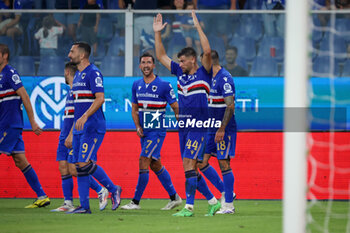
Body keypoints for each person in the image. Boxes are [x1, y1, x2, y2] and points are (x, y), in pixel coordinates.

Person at [154, 12, 221, 217]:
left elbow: (207, 51)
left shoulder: (204, 73)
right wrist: (157, 33)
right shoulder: (180, 73)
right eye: (179, 62)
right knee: (192, 166)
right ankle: (213, 201)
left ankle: (189, 207)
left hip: (199, 125)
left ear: (193, 60)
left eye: (183, 61)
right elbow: (161, 57)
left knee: (188, 164)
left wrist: (197, 27)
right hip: (183, 125)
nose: (179, 64)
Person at [121, 52, 182, 210]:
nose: (146, 65)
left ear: (154, 65)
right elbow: (134, 109)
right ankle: (174, 197)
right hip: (145, 132)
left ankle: (135, 202)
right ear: (140, 65)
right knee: (155, 164)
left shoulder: (164, 85)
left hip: (157, 131)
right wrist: (137, 126)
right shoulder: (136, 85)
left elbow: (176, 107)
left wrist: (182, 125)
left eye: (149, 62)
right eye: (143, 62)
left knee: (143, 160)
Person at [67, 42, 122, 214]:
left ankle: (113, 189)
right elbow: (78, 106)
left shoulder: (94, 73)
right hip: (79, 127)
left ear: (82, 55)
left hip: (92, 125)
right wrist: (71, 131)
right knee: (78, 166)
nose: (69, 54)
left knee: (84, 162)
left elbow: (100, 99)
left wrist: (85, 116)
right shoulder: (77, 76)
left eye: (72, 51)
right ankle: (84, 206)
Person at [51, 62, 109, 212]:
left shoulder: (79, 90)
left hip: (75, 132)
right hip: (66, 131)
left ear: (67, 71)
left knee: (75, 167)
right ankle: (68, 202)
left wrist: (71, 134)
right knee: (63, 167)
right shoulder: (72, 91)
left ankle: (101, 190)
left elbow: (78, 115)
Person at [0, 43, 50, 208]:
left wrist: (33, 122)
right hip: (6, 124)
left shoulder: (10, 73)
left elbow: (25, 97)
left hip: (10, 125)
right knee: (21, 161)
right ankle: (42, 195)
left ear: (4, 55)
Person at [197, 50, 237, 214]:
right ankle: (228, 192)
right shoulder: (208, 79)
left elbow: (230, 105)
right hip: (210, 128)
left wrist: (221, 128)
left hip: (224, 128)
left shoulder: (224, 78)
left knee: (224, 163)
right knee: (201, 163)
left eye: (202, 62)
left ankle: (229, 205)